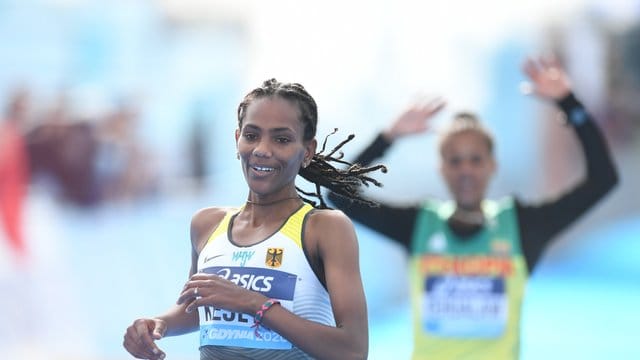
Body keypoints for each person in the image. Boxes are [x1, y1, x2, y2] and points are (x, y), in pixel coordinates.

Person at [328, 56, 619, 359]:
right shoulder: (419, 225)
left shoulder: (522, 226)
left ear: (492, 165)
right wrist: (388, 137)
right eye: (455, 160)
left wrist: (570, 104)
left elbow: (603, 180)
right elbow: (338, 193)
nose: (466, 170)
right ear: (442, 168)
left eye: (475, 159)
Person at [123, 79, 386, 360]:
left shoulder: (324, 228)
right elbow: (196, 311)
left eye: (281, 139)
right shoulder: (206, 224)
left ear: (307, 151)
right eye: (251, 135)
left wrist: (255, 304)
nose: (262, 149)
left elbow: (353, 350)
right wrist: (159, 323)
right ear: (237, 139)